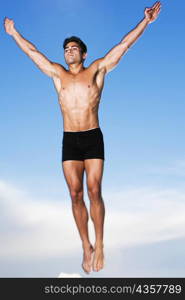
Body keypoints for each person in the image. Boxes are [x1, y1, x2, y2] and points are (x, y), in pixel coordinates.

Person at [4, 1, 161, 274]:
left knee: (94, 190)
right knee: (75, 194)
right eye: (66, 49)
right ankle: (85, 244)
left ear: (84, 53)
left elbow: (124, 45)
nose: (69, 51)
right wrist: (14, 33)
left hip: (92, 136)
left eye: (74, 48)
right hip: (69, 139)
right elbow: (33, 53)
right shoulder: (57, 74)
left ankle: (100, 243)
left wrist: (146, 21)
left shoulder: (97, 70)